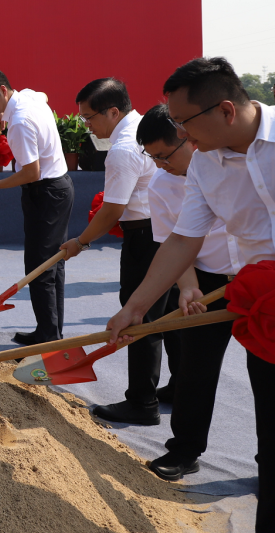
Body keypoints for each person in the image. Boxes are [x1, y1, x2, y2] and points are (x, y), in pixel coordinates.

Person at [107, 58, 274, 529]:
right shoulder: (203, 164)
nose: (181, 133)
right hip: (263, 308)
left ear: (225, 110)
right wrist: (136, 307)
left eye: (184, 123)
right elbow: (183, 239)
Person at [136, 103, 242, 481]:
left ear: (188, 137)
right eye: (153, 158)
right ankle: (184, 449)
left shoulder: (236, 162)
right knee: (195, 368)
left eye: (165, 155)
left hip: (259, 276)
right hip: (208, 281)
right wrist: (190, 286)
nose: (160, 165)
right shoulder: (161, 186)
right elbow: (175, 242)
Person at [60, 77, 174, 426]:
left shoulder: (124, 148)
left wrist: (80, 242)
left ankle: (142, 402)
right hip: (166, 232)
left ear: (112, 111)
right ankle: (179, 388)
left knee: (139, 317)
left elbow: (112, 209)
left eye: (89, 117)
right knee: (170, 316)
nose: (87, 125)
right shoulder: (144, 128)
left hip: (146, 237)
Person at [0, 68, 74, 344]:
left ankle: (48, 335)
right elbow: (44, 95)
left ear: (3, 90)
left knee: (40, 267)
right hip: (59, 187)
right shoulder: (27, 96)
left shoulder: (20, 123)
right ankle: (51, 331)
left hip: (45, 192)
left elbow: (30, 173)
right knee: (52, 263)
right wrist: (1, 116)